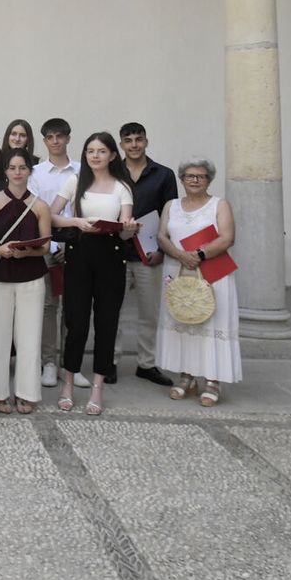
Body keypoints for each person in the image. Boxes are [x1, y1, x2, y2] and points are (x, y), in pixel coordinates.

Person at [51, 132, 134, 416]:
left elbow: (124, 226)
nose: (95, 156)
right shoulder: (76, 181)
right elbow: (51, 215)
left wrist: (129, 229)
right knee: (76, 321)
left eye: (101, 151)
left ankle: (98, 385)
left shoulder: (122, 187)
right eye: (90, 151)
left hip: (111, 255)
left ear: (112, 155)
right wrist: (76, 221)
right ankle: (69, 382)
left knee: (107, 322)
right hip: (79, 253)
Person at [156, 158, 241, 405]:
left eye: (200, 176)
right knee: (184, 320)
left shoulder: (219, 205)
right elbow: (162, 236)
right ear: (182, 179)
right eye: (189, 176)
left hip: (212, 270)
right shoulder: (171, 205)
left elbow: (228, 237)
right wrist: (180, 255)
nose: (194, 180)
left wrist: (200, 255)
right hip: (177, 268)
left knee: (211, 321)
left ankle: (213, 380)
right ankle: (187, 377)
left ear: (208, 180)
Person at [0, 148, 52, 413]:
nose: (17, 172)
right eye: (12, 168)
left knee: (29, 338)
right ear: (5, 171)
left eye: (22, 168)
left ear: (29, 171)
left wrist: (30, 251)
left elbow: (45, 246)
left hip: (31, 277)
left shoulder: (41, 206)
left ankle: (27, 392)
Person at [120, 122, 179, 387]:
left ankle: (147, 363)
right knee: (111, 313)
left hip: (149, 254)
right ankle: (109, 361)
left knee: (150, 312)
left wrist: (162, 251)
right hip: (116, 253)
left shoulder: (163, 175)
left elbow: (170, 214)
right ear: (121, 144)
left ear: (146, 141)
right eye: (128, 140)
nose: (134, 144)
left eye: (138, 139)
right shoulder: (112, 172)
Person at [31, 117, 80, 389]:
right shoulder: (36, 173)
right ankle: (49, 362)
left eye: (60, 136)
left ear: (68, 138)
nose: (56, 141)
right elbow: (36, 213)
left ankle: (70, 363)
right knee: (49, 307)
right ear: (45, 140)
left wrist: (72, 244)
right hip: (47, 245)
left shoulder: (82, 171)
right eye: (50, 137)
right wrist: (51, 245)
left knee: (76, 305)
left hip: (78, 245)